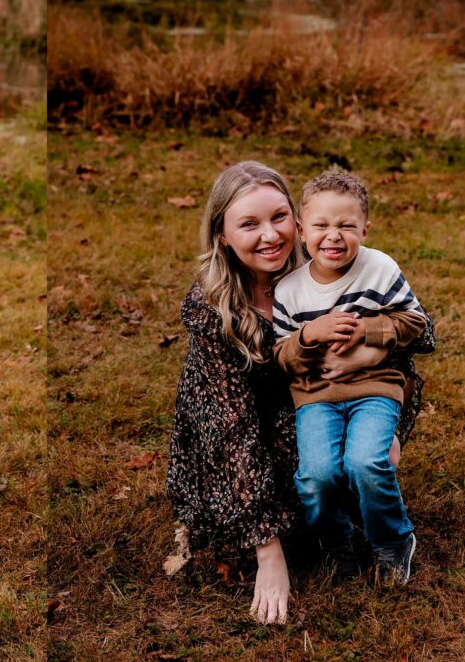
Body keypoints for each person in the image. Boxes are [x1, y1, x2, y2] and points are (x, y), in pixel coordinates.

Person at [166, 161, 434, 625]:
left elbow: (419, 335)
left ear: (297, 217)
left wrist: (380, 386)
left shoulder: (327, 261)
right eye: (249, 224)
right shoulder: (213, 307)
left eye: (278, 217)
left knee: (355, 461)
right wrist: (269, 555)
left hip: (330, 399)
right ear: (223, 236)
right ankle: (312, 534)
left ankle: (370, 521)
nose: (270, 235)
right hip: (237, 425)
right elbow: (231, 430)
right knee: (309, 483)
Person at [271, 170, 428, 586]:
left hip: (374, 388)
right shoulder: (289, 291)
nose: (333, 236)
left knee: (366, 462)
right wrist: (309, 335)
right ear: (302, 230)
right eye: (321, 225)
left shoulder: (378, 269)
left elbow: (414, 321)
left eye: (346, 226)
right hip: (315, 396)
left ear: (365, 228)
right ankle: (337, 539)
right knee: (317, 475)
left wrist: (367, 332)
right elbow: (281, 358)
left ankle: (392, 539)